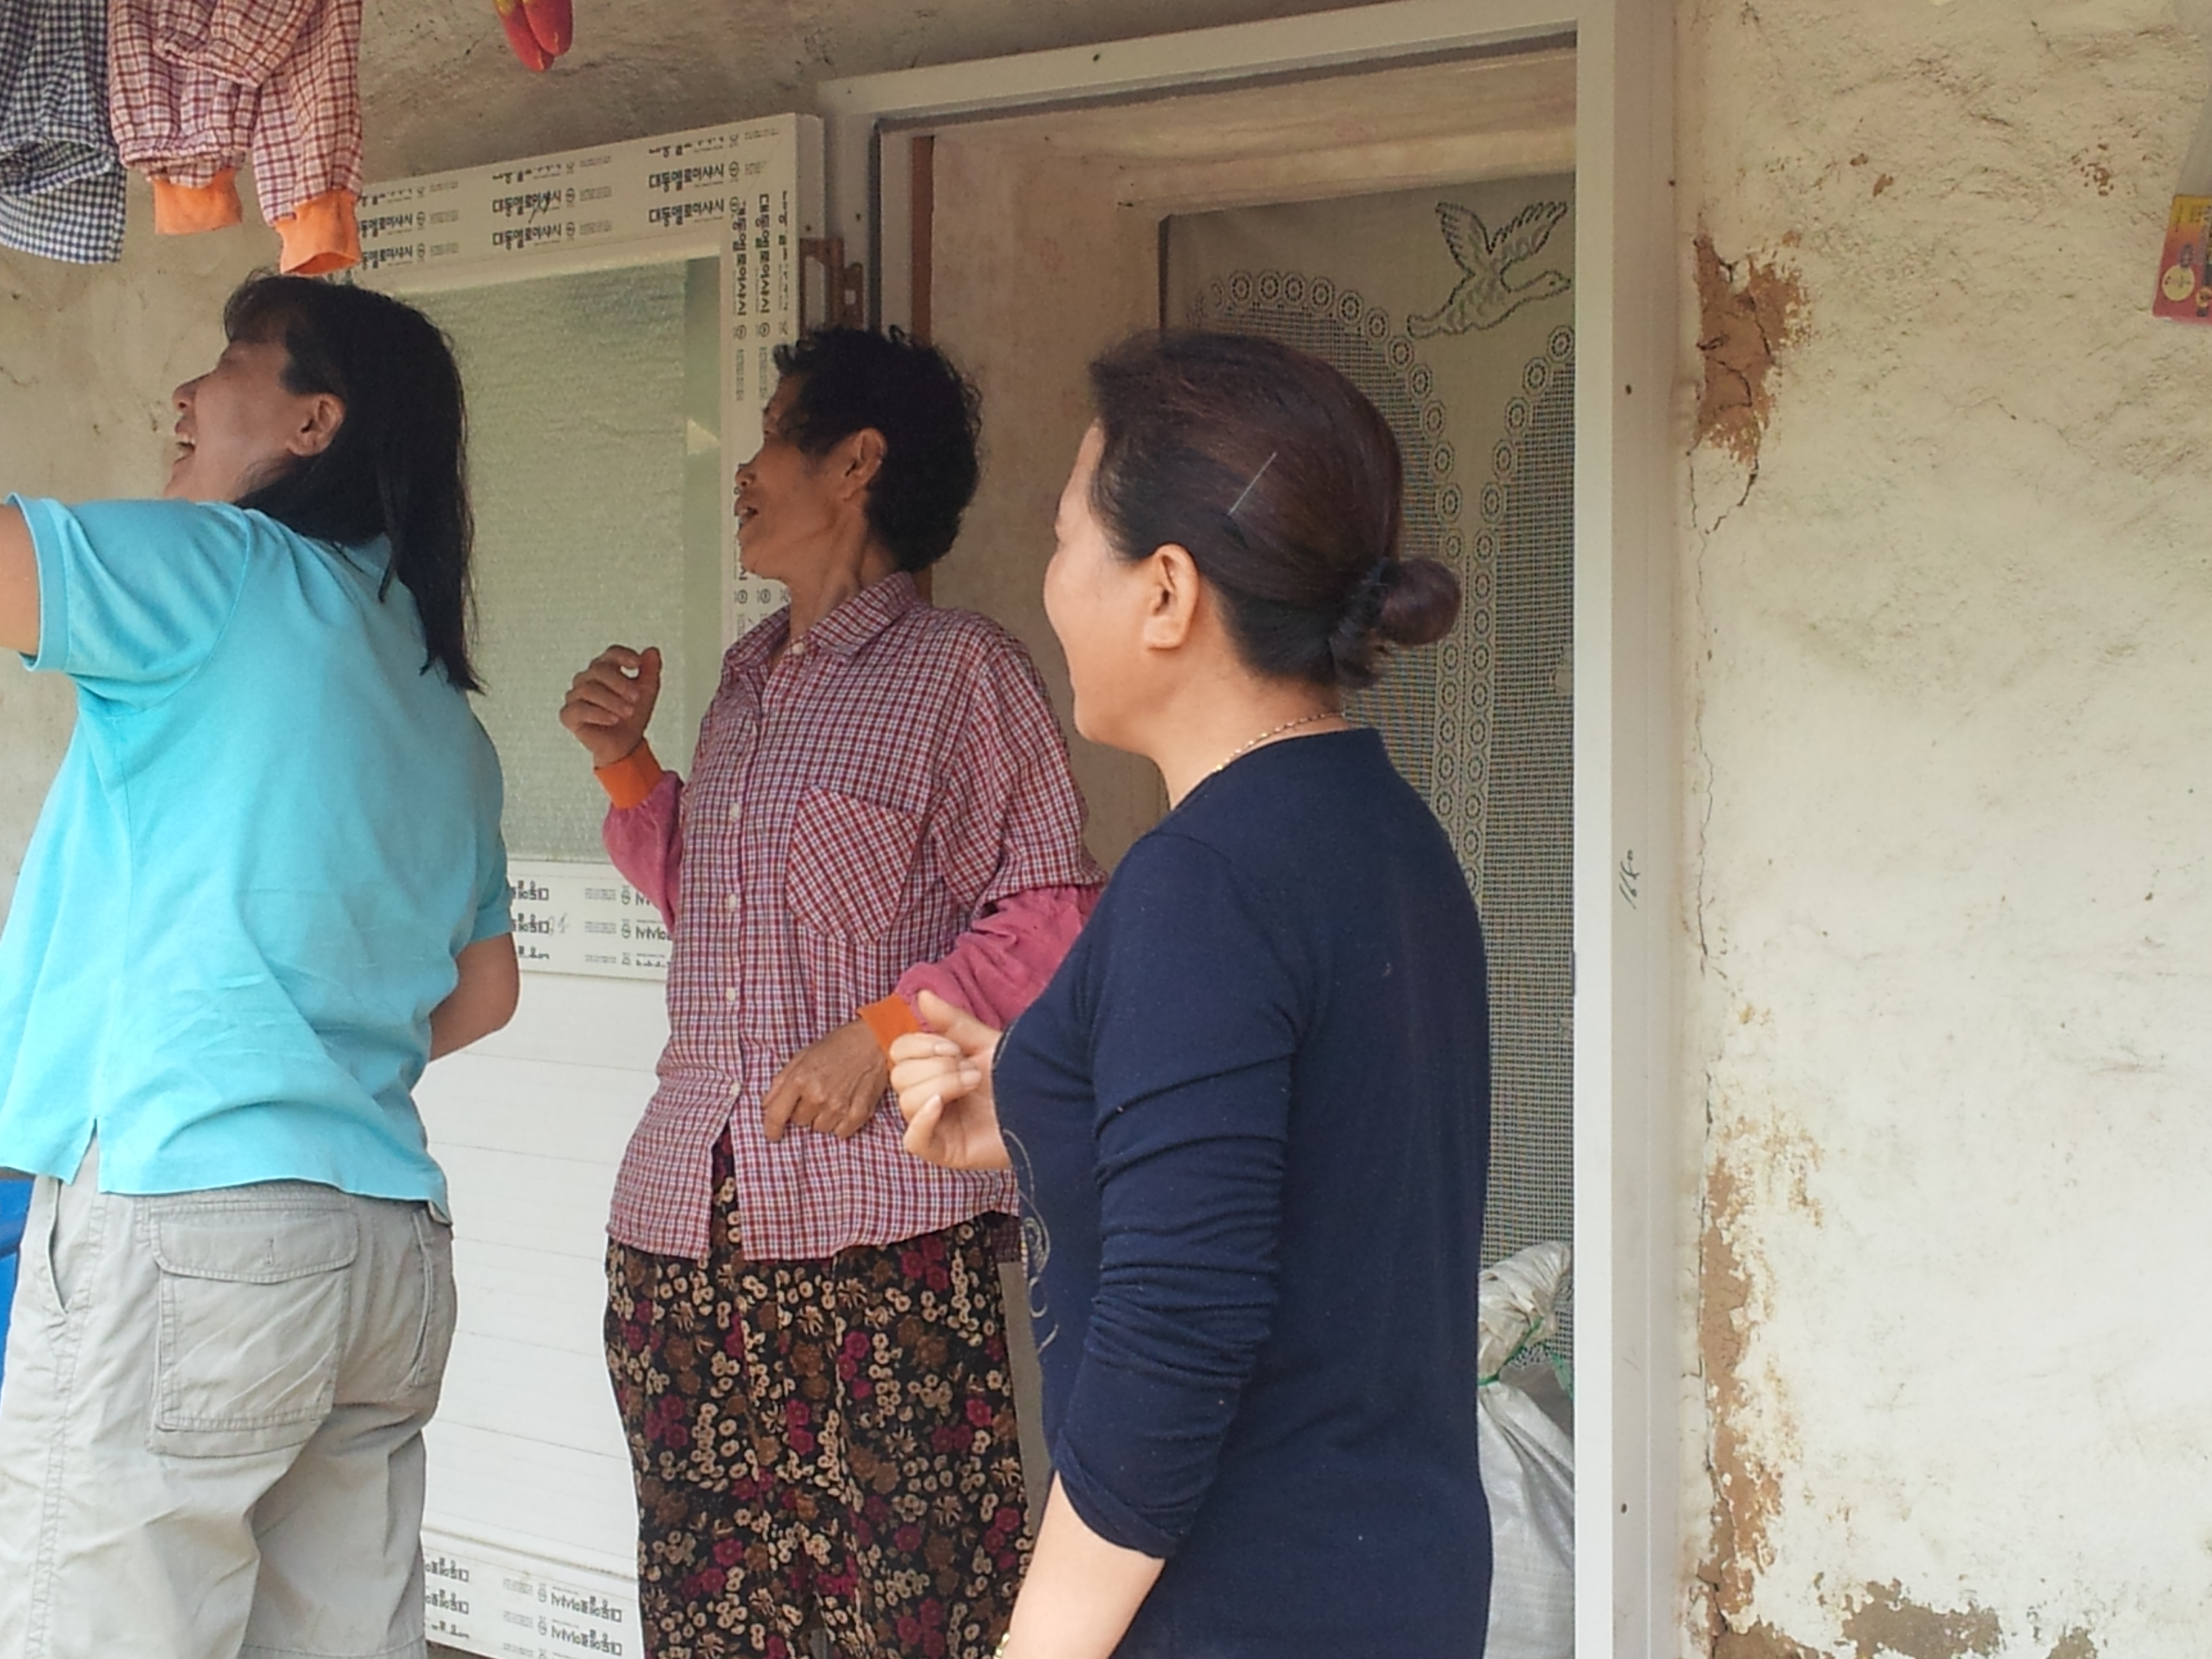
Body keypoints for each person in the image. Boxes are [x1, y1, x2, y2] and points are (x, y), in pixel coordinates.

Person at [890, 329, 1491, 1658]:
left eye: (1065, 540)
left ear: (1165, 591)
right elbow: (1325, 1179)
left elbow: (1175, 1337)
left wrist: (1040, 1648)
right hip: (1400, 1582)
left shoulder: (1203, 882)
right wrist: (1046, 1108)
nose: (1050, 581)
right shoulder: (1389, 836)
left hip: (1236, 1604)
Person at [559, 327, 1105, 1659]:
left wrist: (887, 1032)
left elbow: (1053, 914)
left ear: (857, 462)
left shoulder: (964, 673)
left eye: (769, 435)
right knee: (709, 1619)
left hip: (880, 1251)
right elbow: (723, 918)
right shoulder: (742, 685)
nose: (743, 470)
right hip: (681, 1242)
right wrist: (629, 768)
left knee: (913, 1616)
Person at [0, 275, 517, 1659]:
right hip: (382, 1253)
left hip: (192, 1219)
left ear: (313, 423)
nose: (184, 395)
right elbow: (484, 990)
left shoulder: (221, 568)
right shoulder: (441, 705)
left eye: (228, 362)